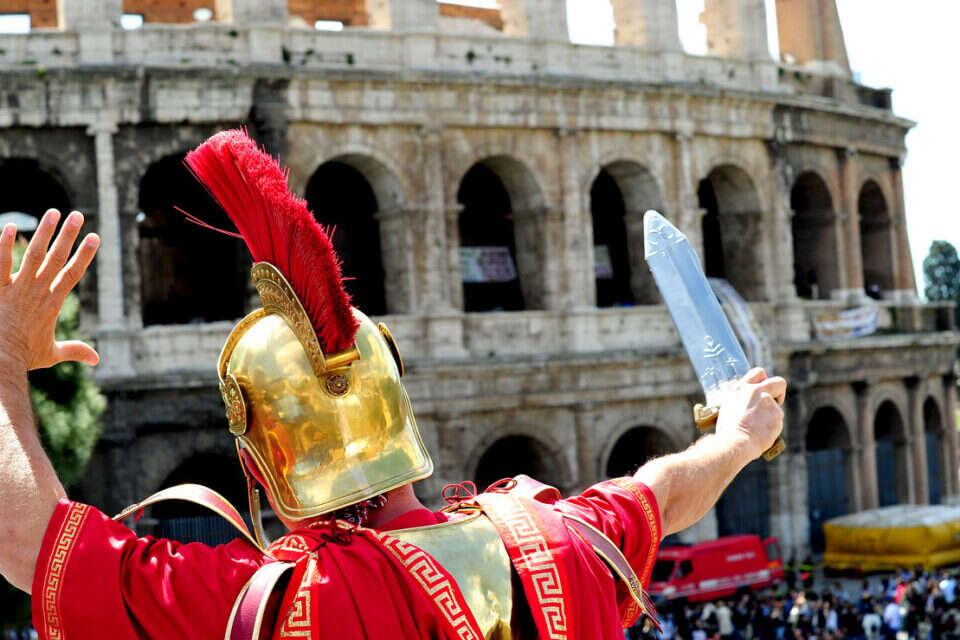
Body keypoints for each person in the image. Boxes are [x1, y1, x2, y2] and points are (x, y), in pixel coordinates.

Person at [0, 131, 787, 640]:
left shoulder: (276, 603)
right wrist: (736, 440)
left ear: (263, 470)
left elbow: (27, 543)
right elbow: (663, 492)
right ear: (398, 410)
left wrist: (4, 358)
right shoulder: (562, 540)